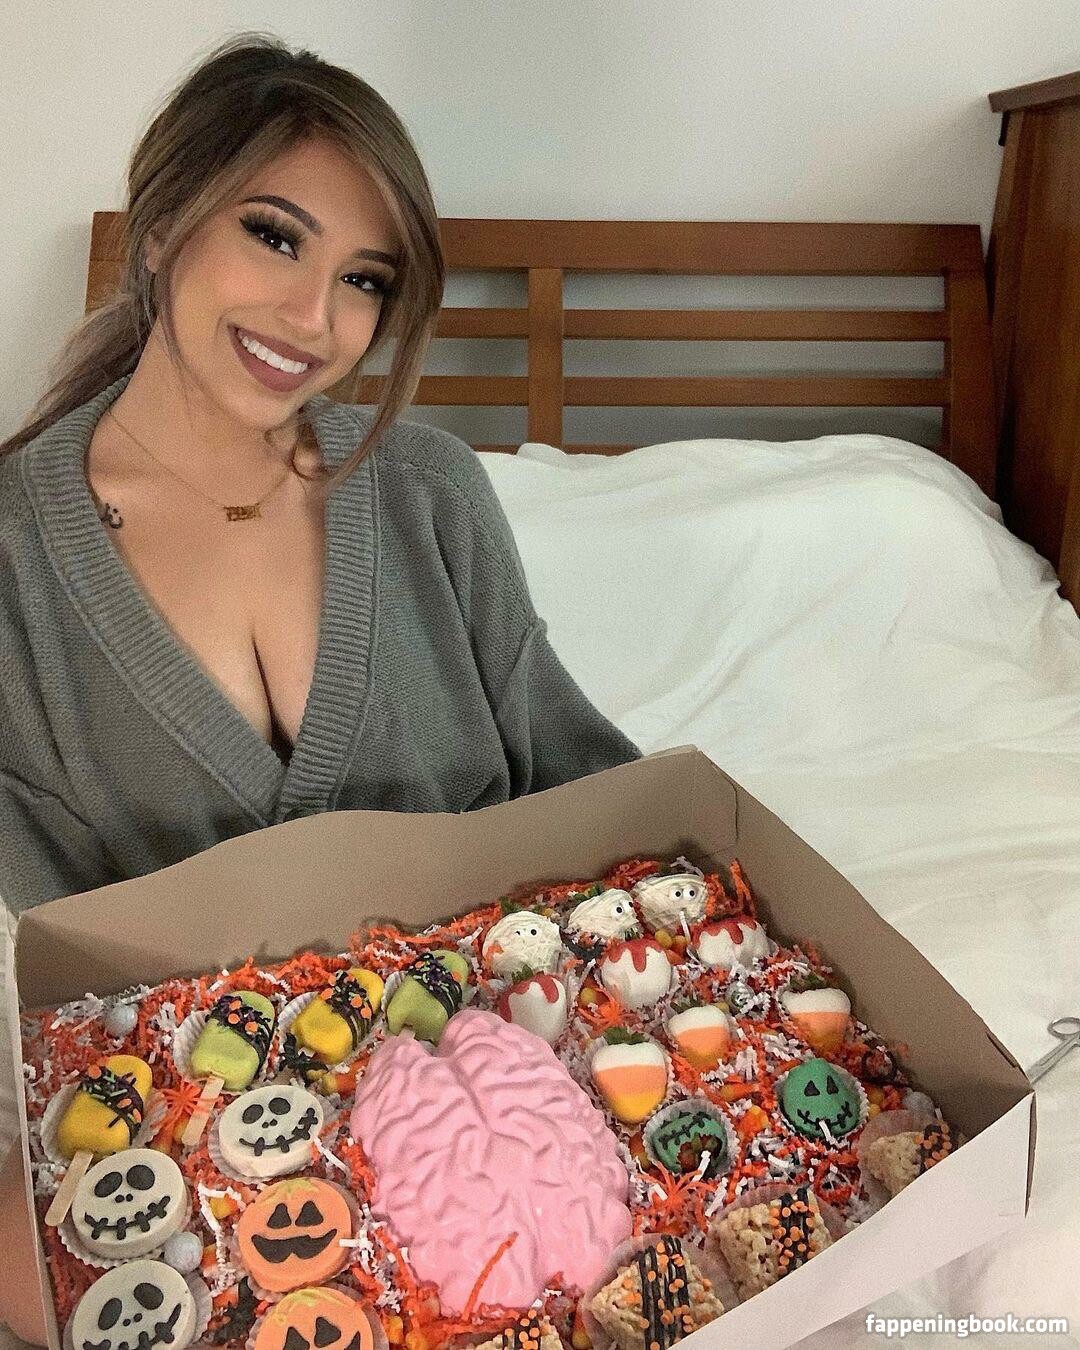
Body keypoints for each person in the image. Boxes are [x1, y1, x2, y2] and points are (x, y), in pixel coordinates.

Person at [0, 32, 641, 1343]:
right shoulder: (15, 562)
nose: (314, 319)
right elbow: (52, 994)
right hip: (204, 1171)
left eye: (364, 279)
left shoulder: (434, 497)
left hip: (516, 1121)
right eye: (276, 236)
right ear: (163, 225)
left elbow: (597, 806)